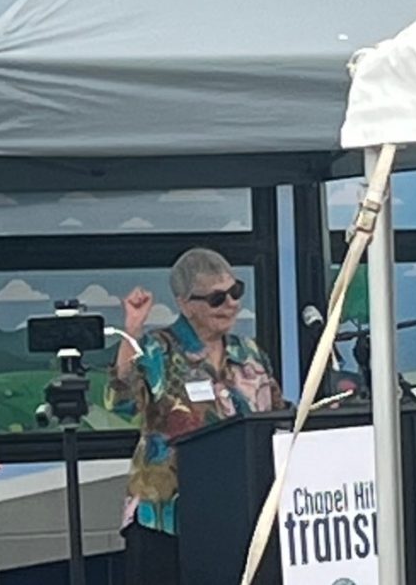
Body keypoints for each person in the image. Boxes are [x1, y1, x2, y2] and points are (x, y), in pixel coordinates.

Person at [105, 247, 285, 584]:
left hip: (239, 516)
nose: (231, 304)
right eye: (217, 299)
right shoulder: (160, 349)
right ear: (186, 304)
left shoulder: (249, 353)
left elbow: (274, 415)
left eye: (236, 292)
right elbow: (122, 402)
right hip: (166, 520)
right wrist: (132, 330)